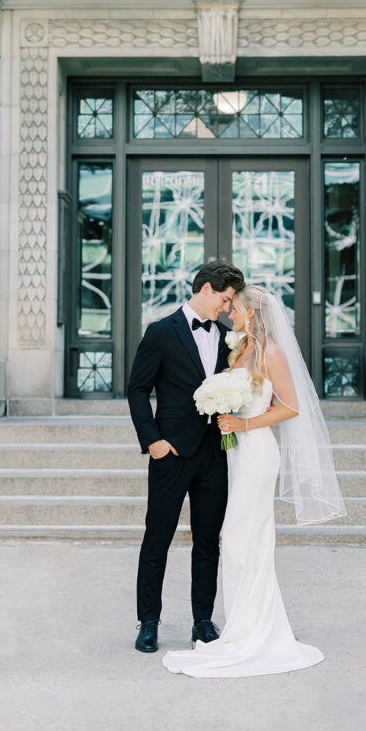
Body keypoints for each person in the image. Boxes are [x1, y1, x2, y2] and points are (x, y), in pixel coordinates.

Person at [161, 285, 346, 678]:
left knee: (250, 535)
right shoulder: (240, 350)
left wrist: (243, 422)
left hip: (258, 452)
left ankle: (256, 632)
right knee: (237, 538)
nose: (229, 313)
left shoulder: (272, 352)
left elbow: (292, 407)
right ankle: (241, 624)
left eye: (236, 308)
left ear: (254, 313)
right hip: (235, 453)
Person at [127, 259, 245, 654]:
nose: (227, 309)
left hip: (214, 453)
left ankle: (203, 621)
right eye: (225, 300)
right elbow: (138, 389)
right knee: (157, 538)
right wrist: (154, 441)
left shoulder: (229, 337)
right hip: (171, 453)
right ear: (206, 290)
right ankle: (148, 622)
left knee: (208, 542)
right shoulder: (160, 332)